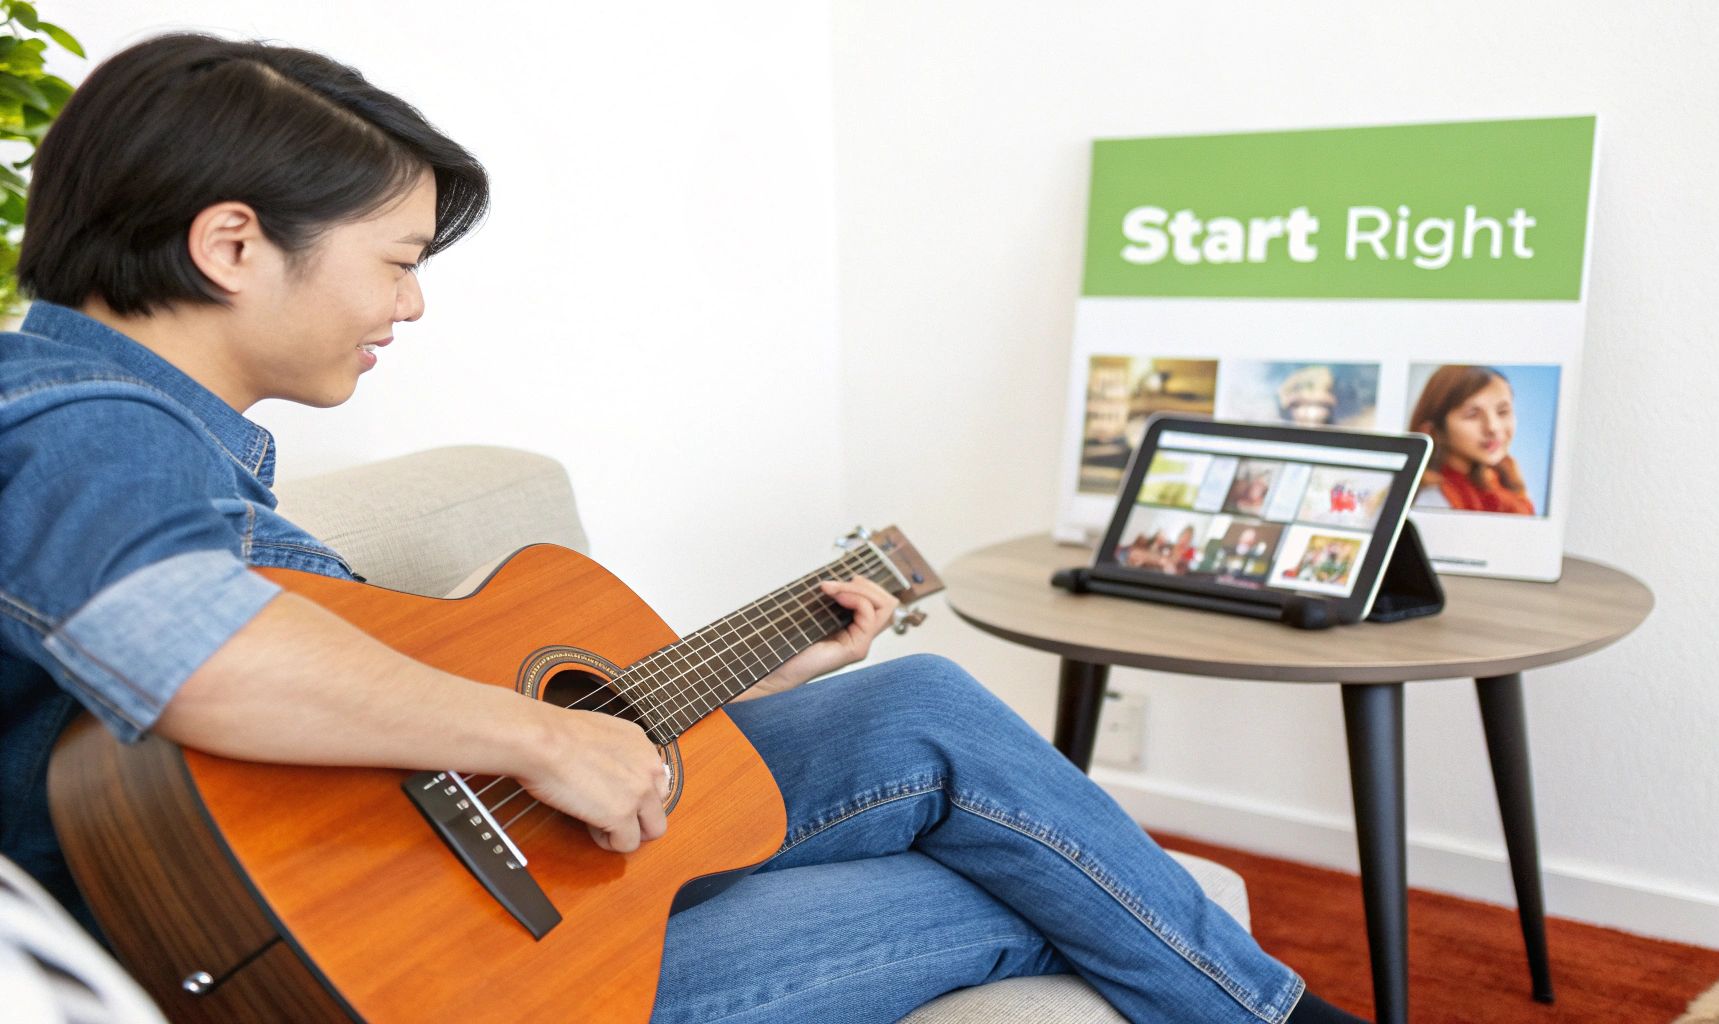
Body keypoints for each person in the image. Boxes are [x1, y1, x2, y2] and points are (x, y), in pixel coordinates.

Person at [0, 34, 1368, 1024]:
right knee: (1053, 897)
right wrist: (543, 733)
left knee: (920, 709)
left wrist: (729, 674)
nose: (407, 311)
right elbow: (190, 652)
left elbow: (388, 712)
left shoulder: (162, 439)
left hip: (394, 877)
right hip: (392, 976)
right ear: (233, 247)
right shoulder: (76, 415)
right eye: (399, 264)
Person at [1406, 364, 1536, 515]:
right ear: (1435, 429)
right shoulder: (1432, 499)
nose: (1493, 427)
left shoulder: (1505, 482)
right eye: (1472, 415)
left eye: (1503, 411)